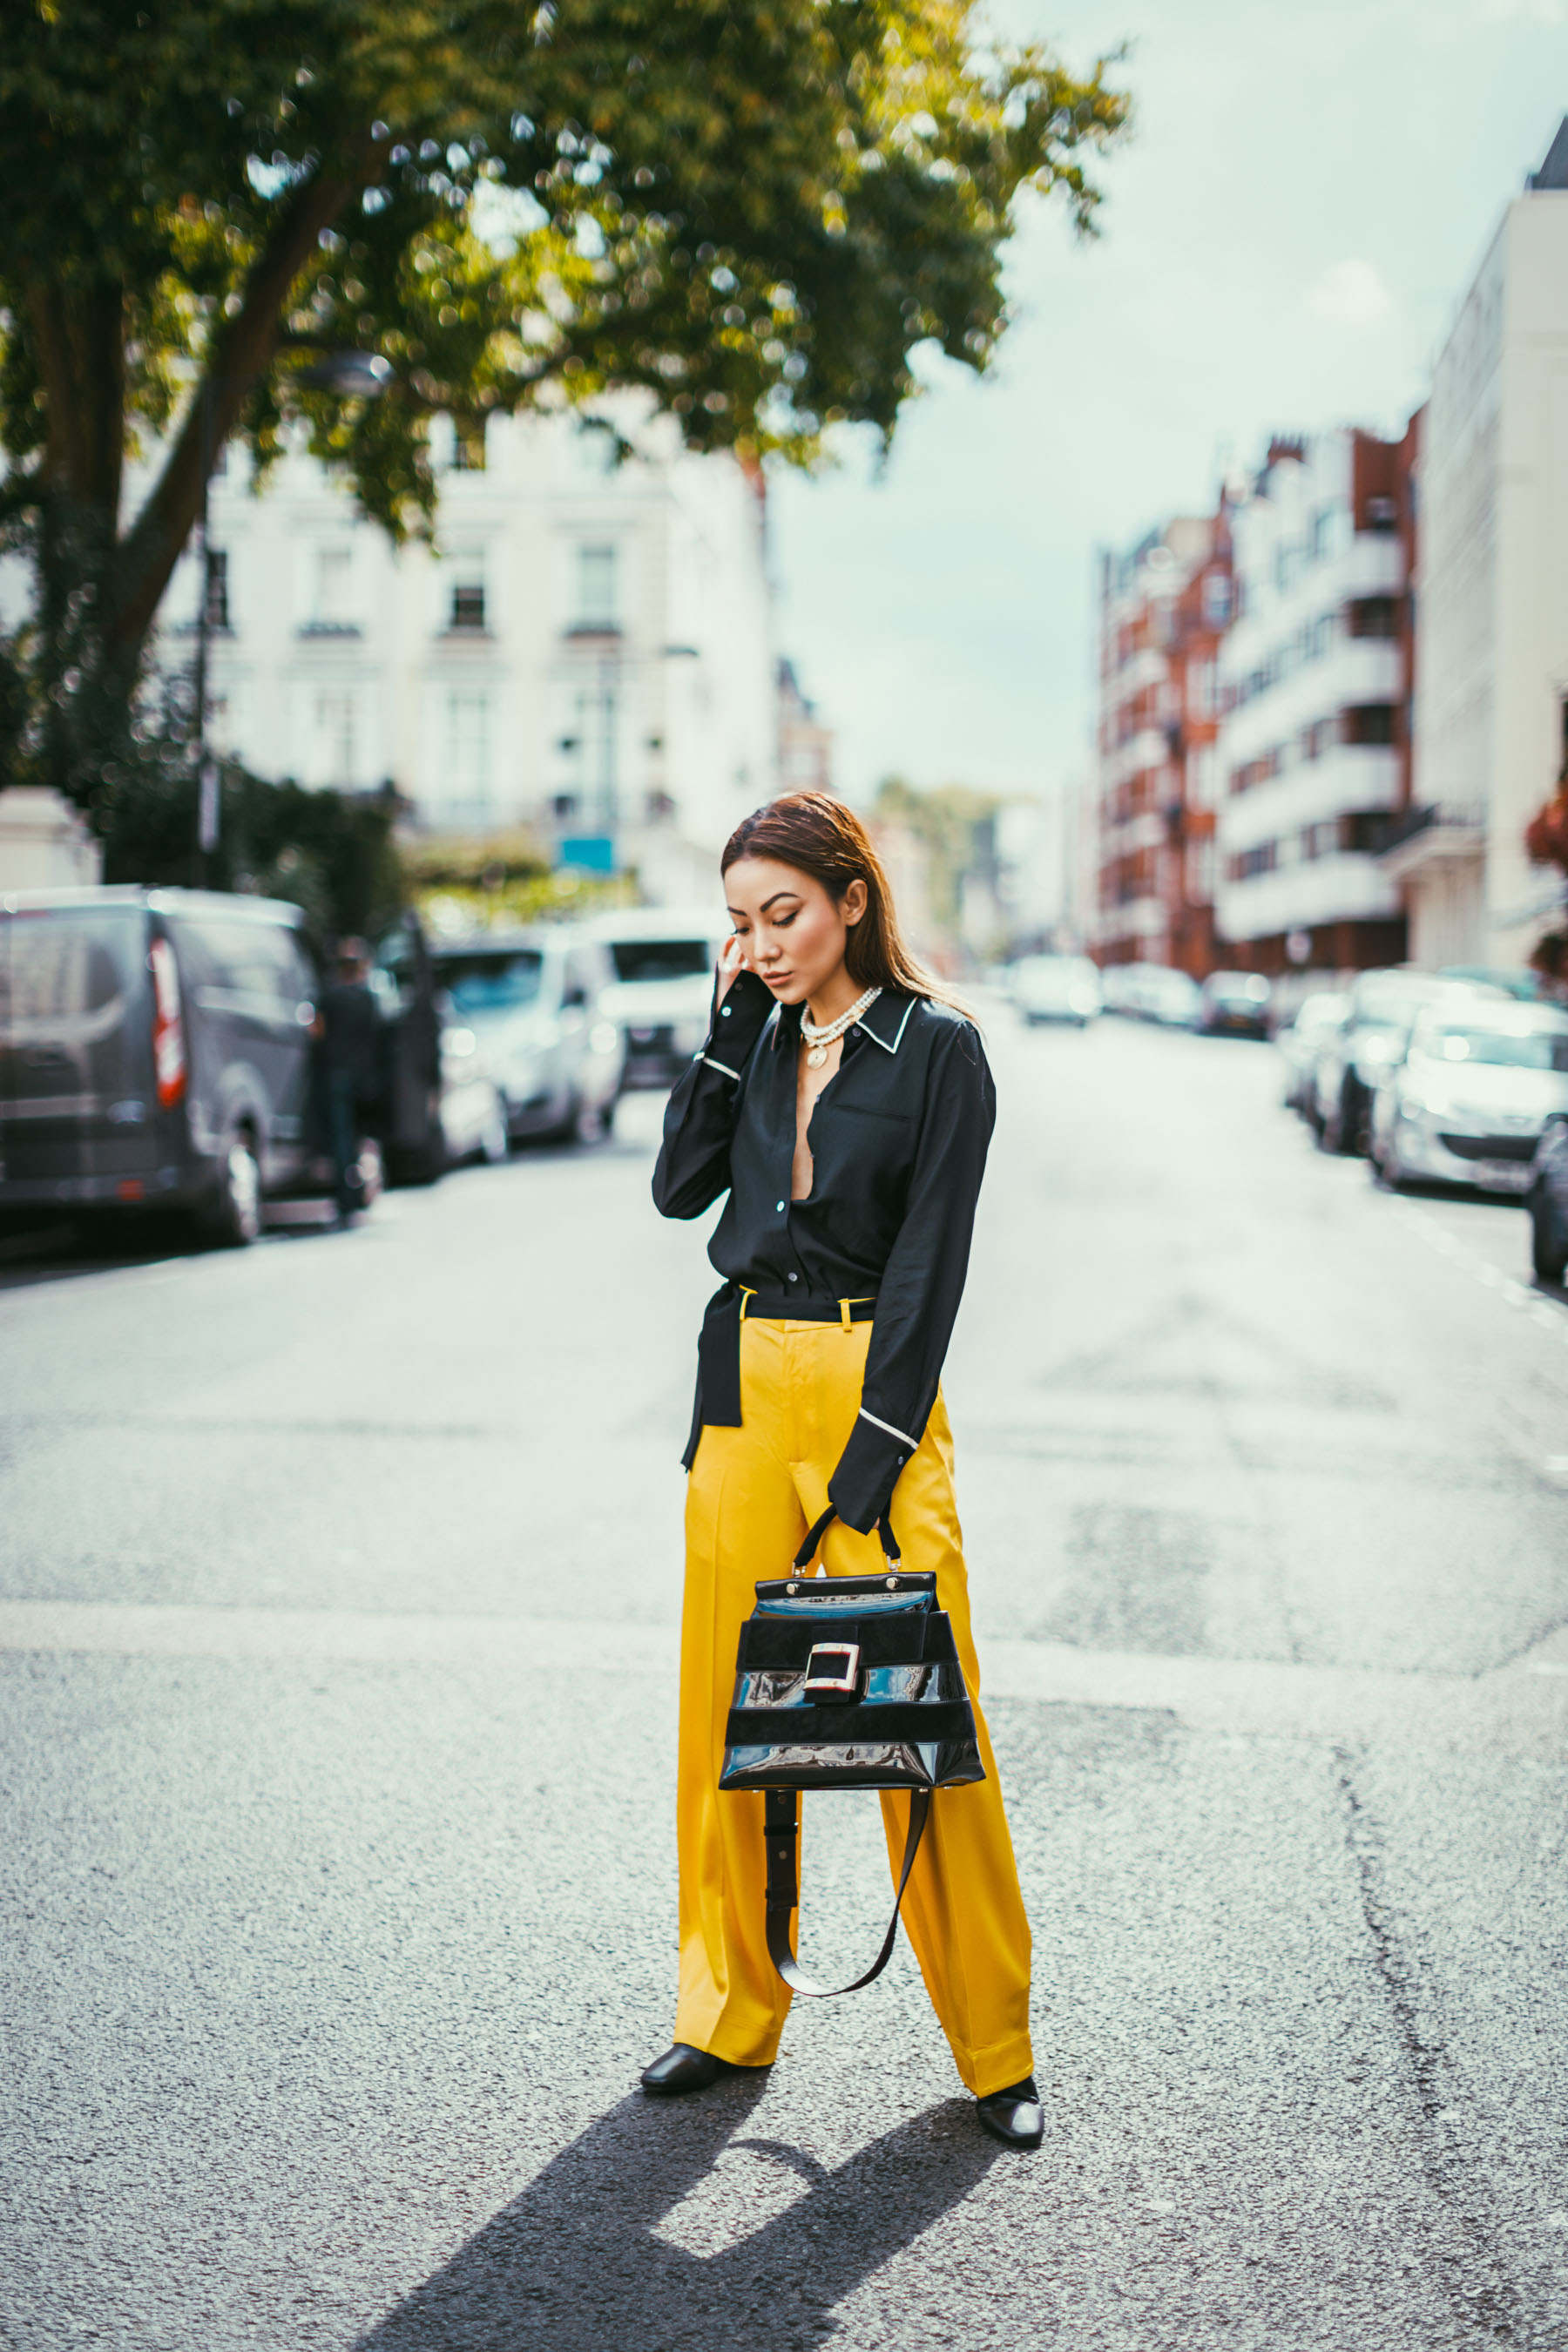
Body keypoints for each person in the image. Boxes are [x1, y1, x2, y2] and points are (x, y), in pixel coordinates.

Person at [644, 790, 1041, 2149]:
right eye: (742, 922)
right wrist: (724, 1031)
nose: (760, 943)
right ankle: (724, 2012)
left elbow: (934, 1259)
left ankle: (995, 2045)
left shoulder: (941, 1051)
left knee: (926, 1721)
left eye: (785, 915)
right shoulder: (753, 1033)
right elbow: (677, 1191)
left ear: (853, 901)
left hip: (878, 1391)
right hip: (748, 1389)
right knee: (724, 1716)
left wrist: (877, 1450)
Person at [319, 939, 381, 1227]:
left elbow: (316, 1032)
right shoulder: (368, 999)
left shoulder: (329, 998)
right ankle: (361, 1192)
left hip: (337, 1075)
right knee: (359, 1137)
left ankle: (346, 1197)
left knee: (342, 1139)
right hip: (364, 1077)